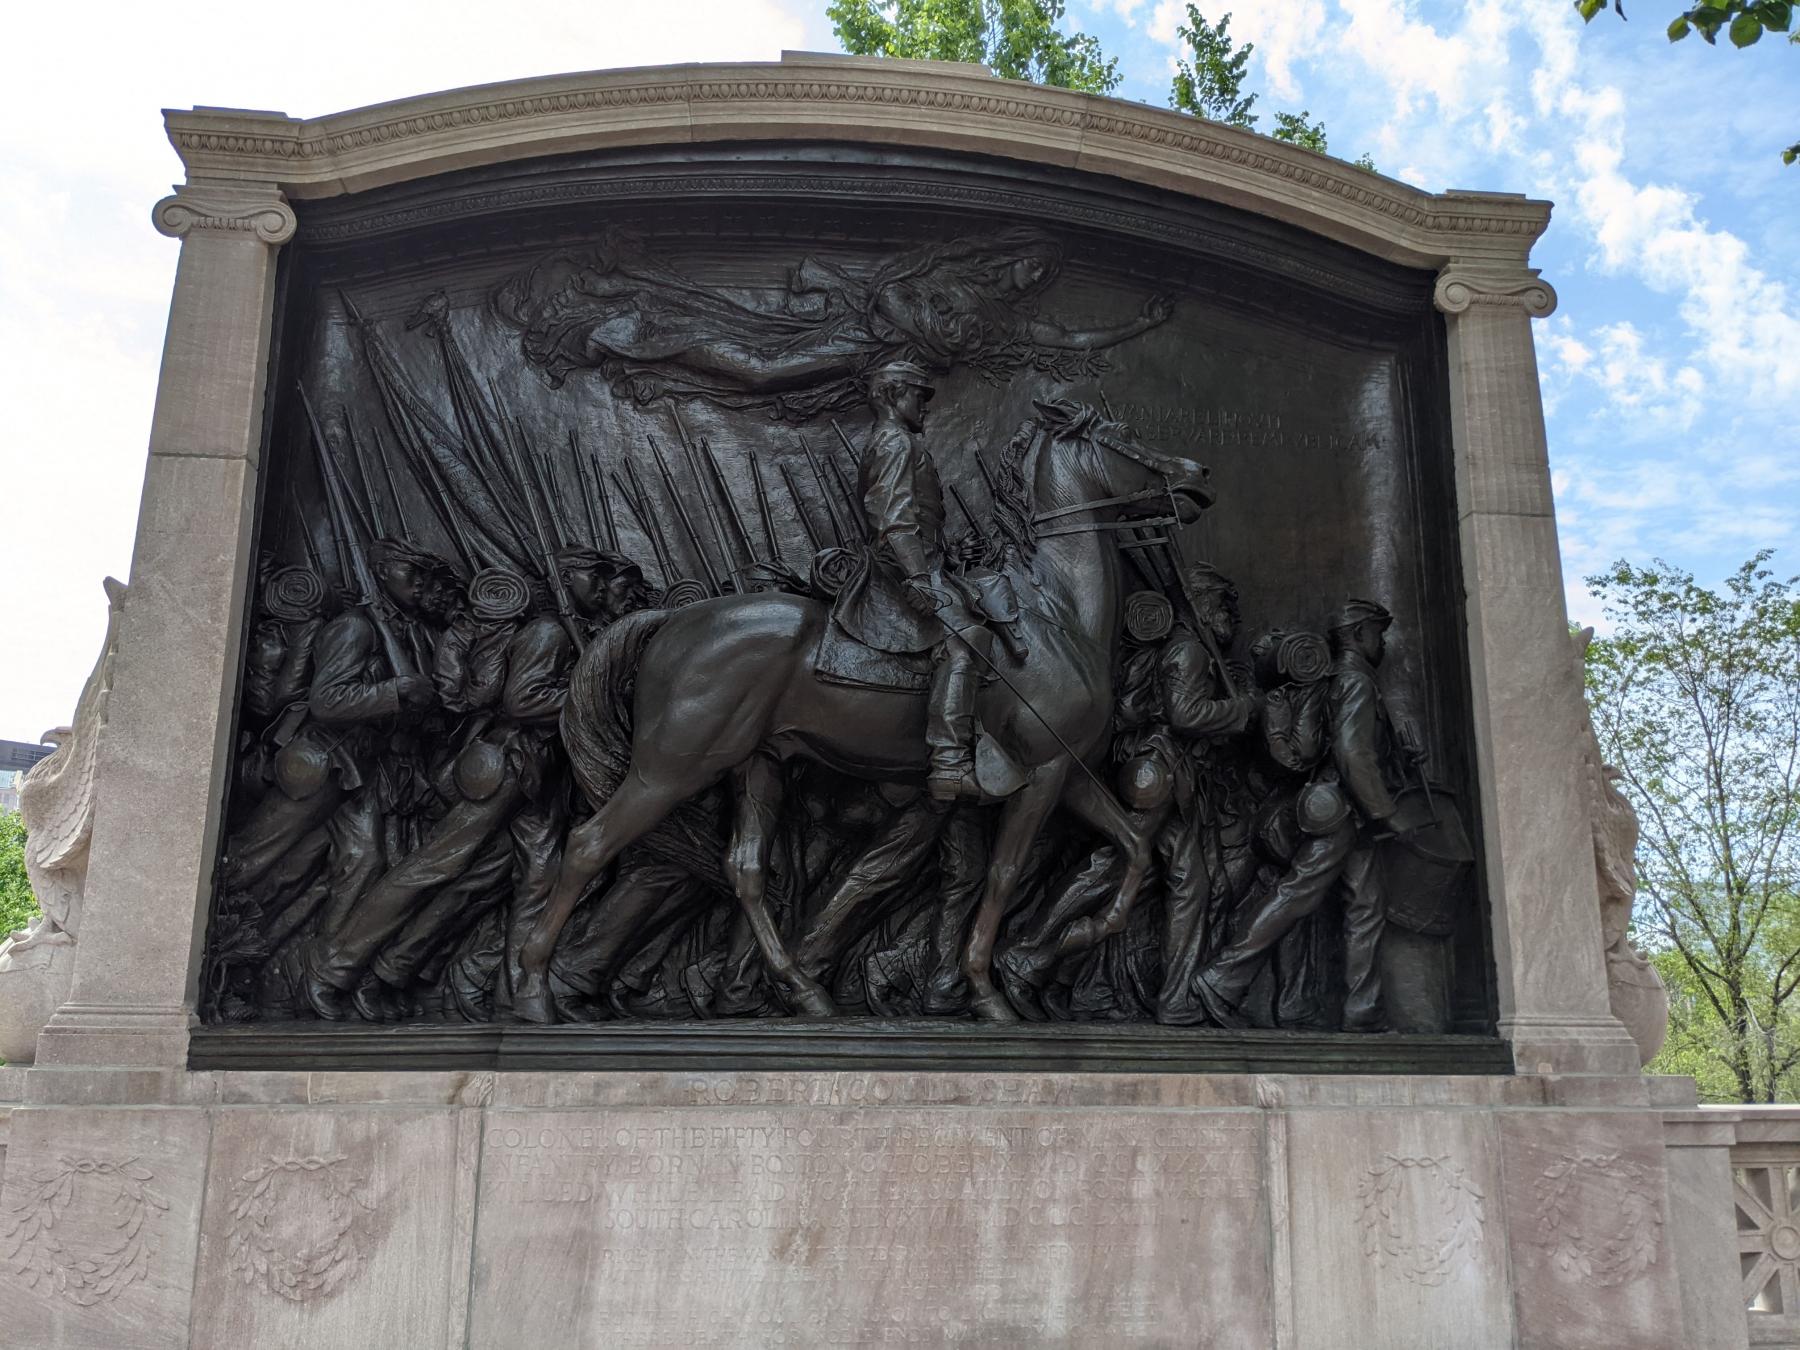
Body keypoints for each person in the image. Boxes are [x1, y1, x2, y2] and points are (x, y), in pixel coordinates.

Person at [1194, 598, 1416, 1032]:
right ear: (1356, 635)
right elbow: (1353, 754)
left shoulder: (1339, 678)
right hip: (1344, 810)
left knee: (1366, 906)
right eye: (1376, 631)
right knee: (1298, 895)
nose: (1381, 641)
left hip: (1346, 812)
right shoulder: (1354, 681)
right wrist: (1387, 813)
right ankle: (1222, 977)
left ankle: (1362, 1010)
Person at [830, 360, 1017, 802]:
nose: (926, 406)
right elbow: (895, 523)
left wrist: (950, 555)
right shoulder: (895, 441)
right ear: (894, 395)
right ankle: (949, 765)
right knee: (966, 639)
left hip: (925, 565)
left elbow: (919, 524)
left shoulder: (904, 441)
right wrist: (919, 577)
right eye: (919, 395)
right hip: (898, 574)